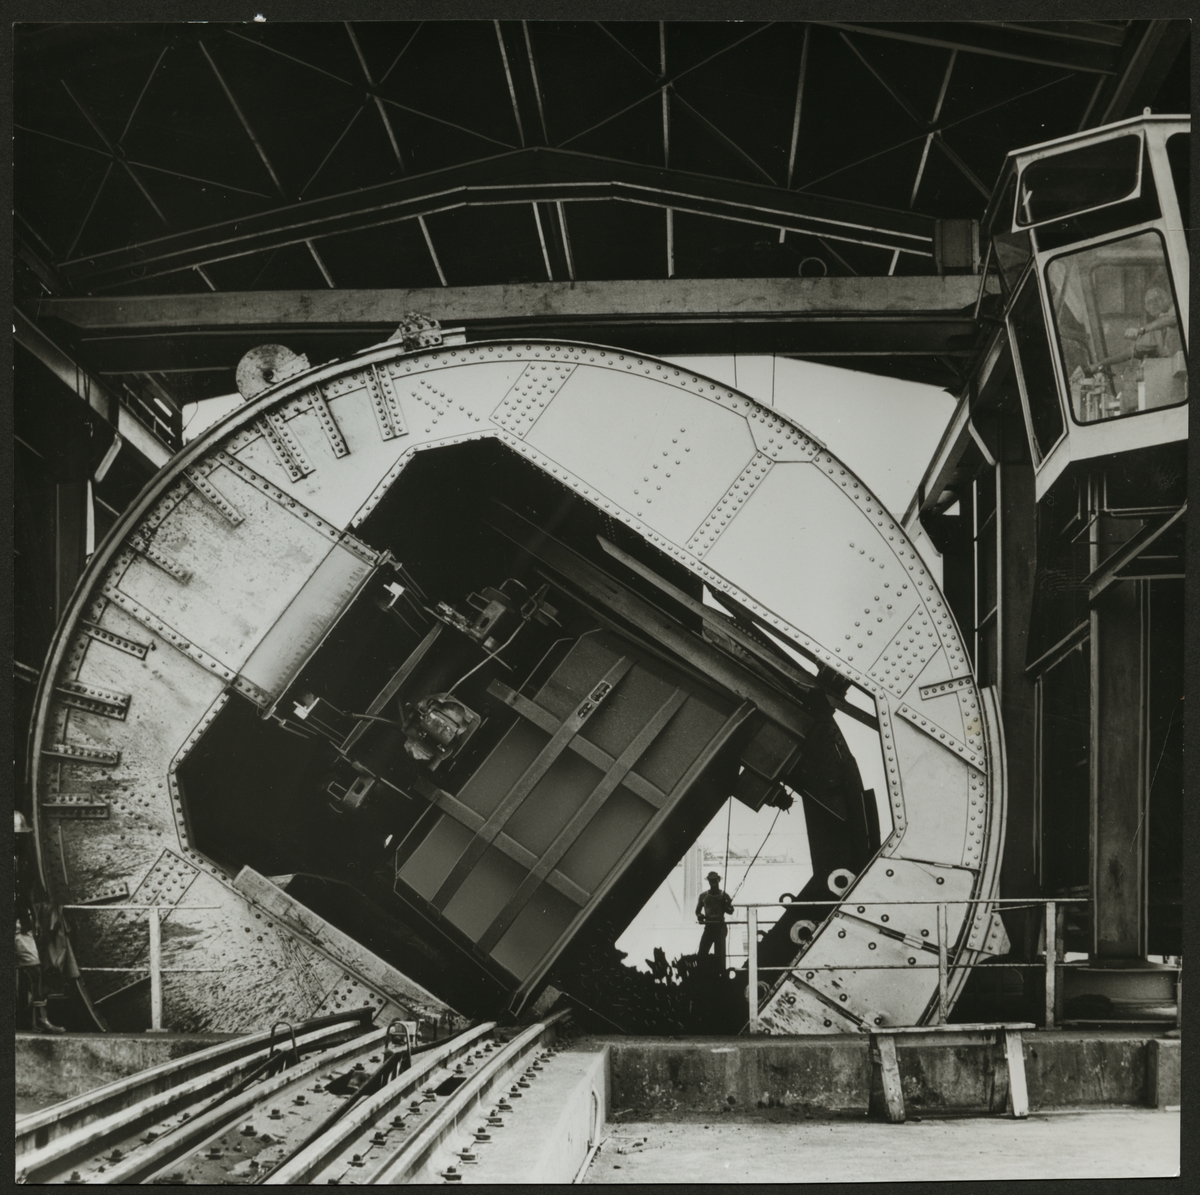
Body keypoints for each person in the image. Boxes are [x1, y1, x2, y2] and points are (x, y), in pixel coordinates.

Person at [15, 812, 65, 1034]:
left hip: (19, 924)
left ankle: (41, 1020)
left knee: (35, 970)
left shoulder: (23, 860)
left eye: (19, 836)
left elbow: (26, 894)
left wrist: (31, 918)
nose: (17, 839)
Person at [695, 870, 734, 971]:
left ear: (718, 880)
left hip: (720, 928)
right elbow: (697, 911)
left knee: (719, 955)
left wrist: (725, 905)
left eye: (715, 880)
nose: (713, 882)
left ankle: (720, 974)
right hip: (708, 928)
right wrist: (700, 916)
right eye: (711, 880)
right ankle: (702, 974)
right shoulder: (703, 896)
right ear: (708, 881)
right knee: (702, 953)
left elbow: (731, 911)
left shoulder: (724, 896)